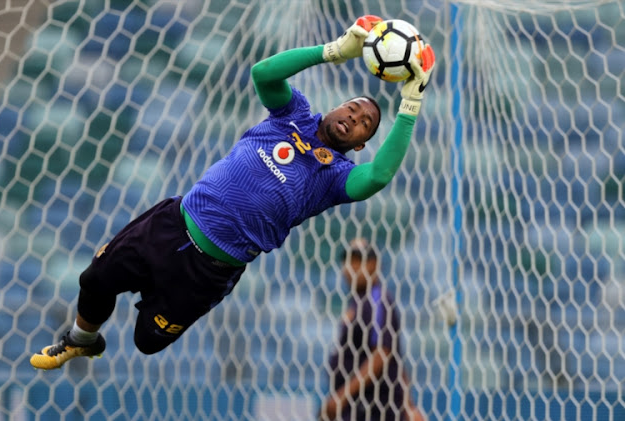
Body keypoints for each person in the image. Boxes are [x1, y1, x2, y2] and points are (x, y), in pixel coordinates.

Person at [30, 15, 435, 370]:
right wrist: (333, 50)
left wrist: (411, 101)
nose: (354, 117)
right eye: (352, 107)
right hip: (173, 222)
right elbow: (263, 74)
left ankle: (154, 291)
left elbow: (379, 177)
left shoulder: (335, 176)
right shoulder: (293, 114)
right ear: (335, 107)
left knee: (147, 341)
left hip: (209, 271)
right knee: (96, 280)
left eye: (365, 122)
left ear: (361, 143)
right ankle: (81, 341)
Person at [320, 238, 424, 421]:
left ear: (374, 264)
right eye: (347, 260)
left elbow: (382, 354)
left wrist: (341, 397)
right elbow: (395, 358)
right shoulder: (359, 301)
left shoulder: (377, 300)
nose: (350, 267)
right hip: (357, 407)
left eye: (358, 260)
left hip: (374, 408)